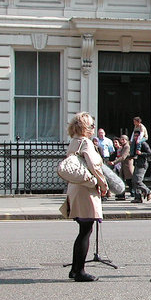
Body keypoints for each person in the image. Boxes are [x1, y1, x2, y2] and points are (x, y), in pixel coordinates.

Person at [59, 112, 108, 282]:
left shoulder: (74, 141)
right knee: (86, 231)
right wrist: (103, 186)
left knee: (83, 230)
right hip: (86, 190)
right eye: (92, 125)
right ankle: (79, 271)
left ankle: (75, 268)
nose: (94, 128)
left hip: (75, 188)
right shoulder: (86, 143)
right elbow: (95, 167)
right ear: (85, 127)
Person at [130, 130, 151, 203]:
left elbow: (150, 154)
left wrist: (141, 153)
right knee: (134, 180)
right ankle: (138, 198)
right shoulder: (135, 144)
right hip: (137, 163)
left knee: (138, 181)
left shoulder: (143, 144)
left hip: (142, 164)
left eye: (137, 136)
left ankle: (148, 191)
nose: (135, 137)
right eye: (135, 136)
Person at [109, 135, 133, 200]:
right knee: (121, 180)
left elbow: (123, 157)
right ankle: (121, 195)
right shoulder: (123, 146)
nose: (121, 141)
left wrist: (114, 162)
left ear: (126, 140)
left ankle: (137, 193)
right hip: (123, 166)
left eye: (123, 139)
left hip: (127, 166)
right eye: (121, 139)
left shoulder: (127, 147)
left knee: (129, 181)